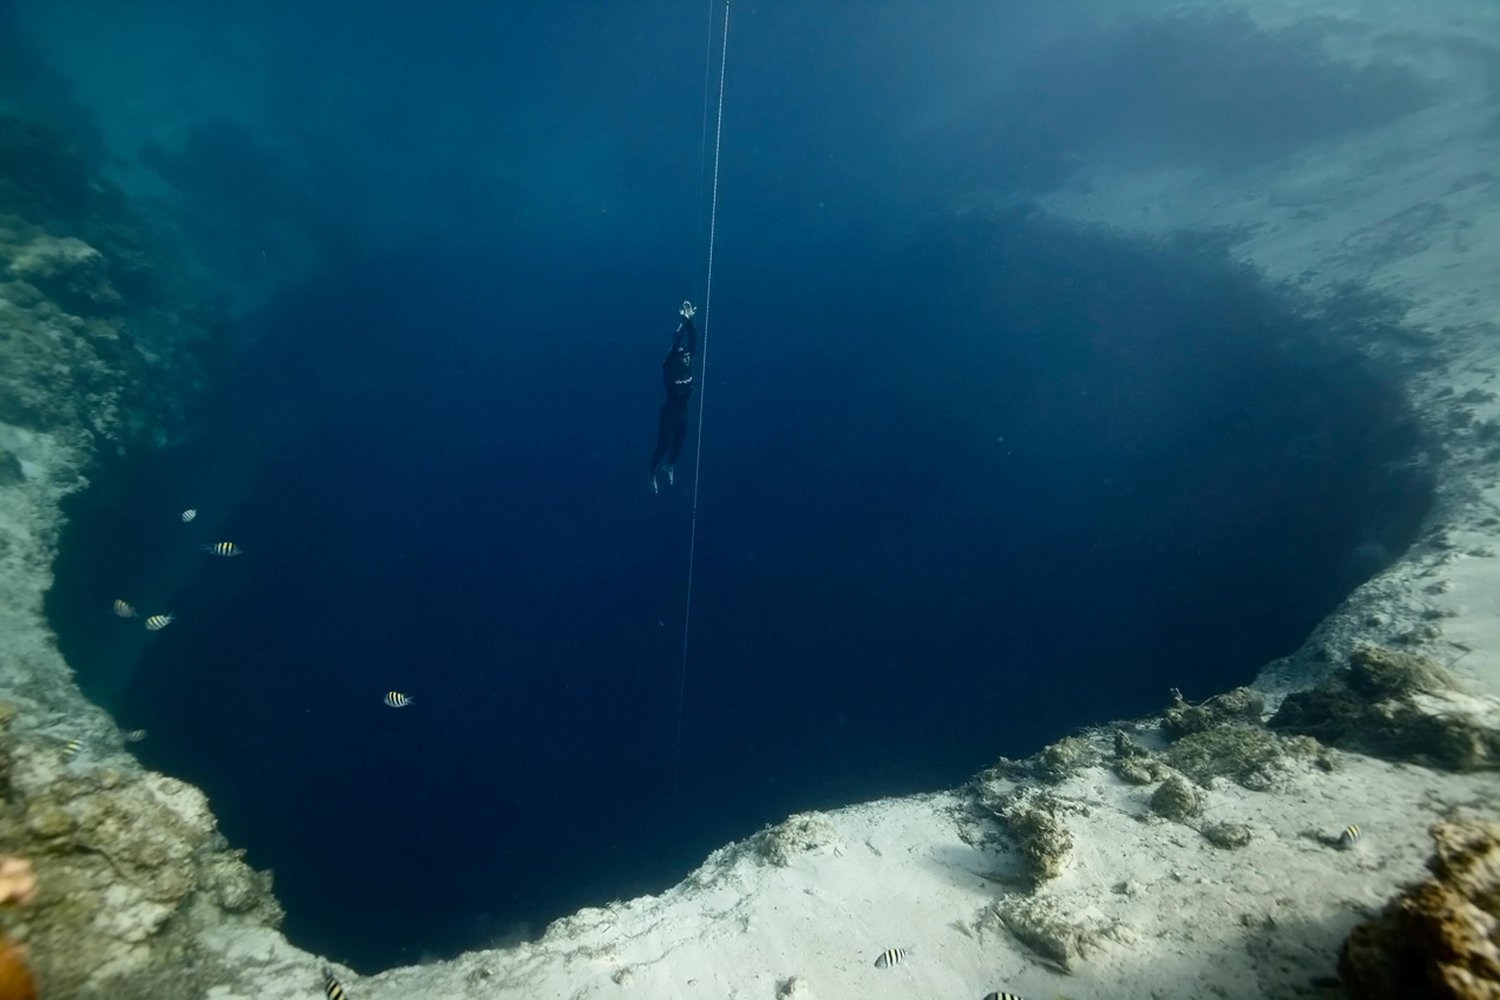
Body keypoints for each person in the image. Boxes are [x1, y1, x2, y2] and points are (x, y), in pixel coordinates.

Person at [649, 300, 697, 494]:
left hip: (682, 410)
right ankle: (652, 473)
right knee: (663, 444)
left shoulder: (687, 359)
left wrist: (690, 322)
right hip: (669, 411)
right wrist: (682, 322)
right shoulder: (669, 364)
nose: (686, 357)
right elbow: (676, 342)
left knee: (680, 440)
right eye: (682, 354)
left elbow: (693, 340)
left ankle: (670, 466)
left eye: (687, 355)